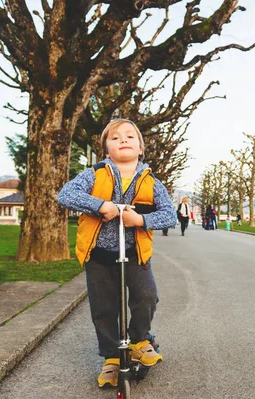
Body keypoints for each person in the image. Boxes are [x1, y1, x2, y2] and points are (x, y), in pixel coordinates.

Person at [57, 119, 176, 388]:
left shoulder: (151, 181)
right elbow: (66, 194)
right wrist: (101, 206)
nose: (123, 140)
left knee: (146, 295)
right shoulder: (95, 174)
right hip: (99, 253)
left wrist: (141, 221)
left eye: (129, 136)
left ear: (141, 147)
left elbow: (168, 214)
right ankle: (111, 355)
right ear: (106, 150)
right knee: (104, 308)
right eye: (115, 137)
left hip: (135, 252)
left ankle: (139, 339)